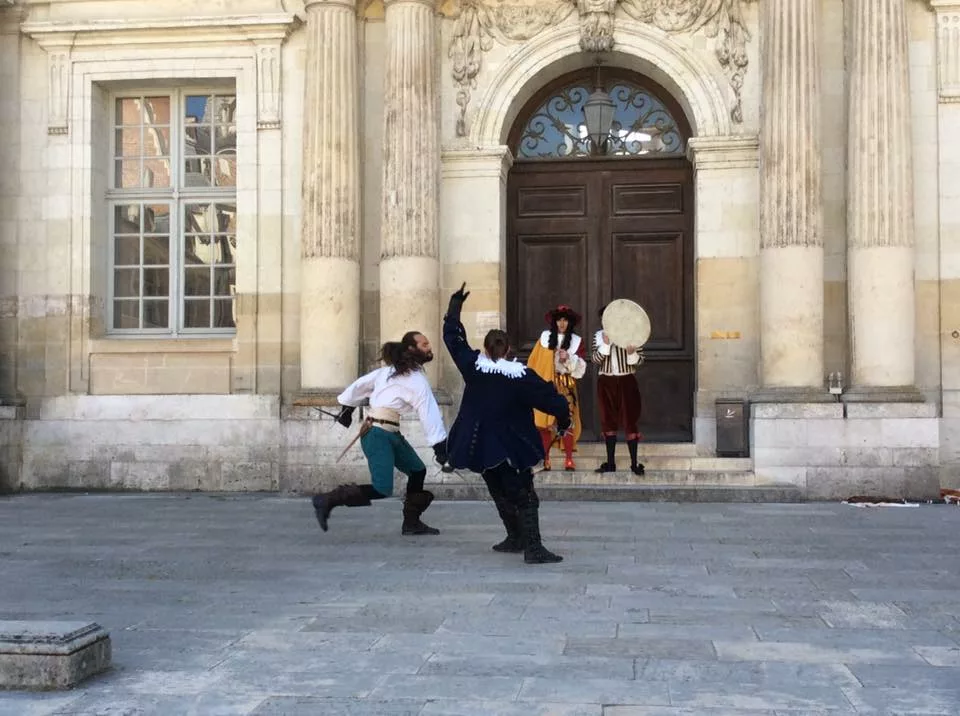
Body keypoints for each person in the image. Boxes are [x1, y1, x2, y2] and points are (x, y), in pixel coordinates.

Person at [443, 283, 571, 564]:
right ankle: (533, 548)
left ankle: (515, 536)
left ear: (486, 348)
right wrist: (564, 421)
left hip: (478, 443)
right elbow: (552, 399)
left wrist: (455, 306)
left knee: (497, 487)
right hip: (511, 444)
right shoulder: (520, 375)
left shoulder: (473, 366)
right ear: (509, 347)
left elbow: (453, 339)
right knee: (524, 494)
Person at [311, 331, 448, 536]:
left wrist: (347, 408)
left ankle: (411, 523)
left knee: (417, 470)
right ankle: (328, 500)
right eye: (424, 344)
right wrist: (440, 447)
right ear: (411, 349)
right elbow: (428, 413)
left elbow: (358, 387)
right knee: (382, 488)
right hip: (377, 434)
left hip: (390, 433)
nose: (429, 347)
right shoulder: (411, 379)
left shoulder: (389, 372)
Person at [526, 305, 586, 471]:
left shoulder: (576, 341)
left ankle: (568, 458)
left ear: (570, 322)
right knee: (544, 422)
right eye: (559, 319)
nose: (561, 323)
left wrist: (568, 358)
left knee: (567, 420)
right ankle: (545, 458)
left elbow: (581, 366)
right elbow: (534, 360)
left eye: (565, 320)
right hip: (546, 384)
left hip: (566, 385)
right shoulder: (544, 339)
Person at [593, 304, 645, 475]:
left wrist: (631, 353)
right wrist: (605, 345)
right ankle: (610, 462)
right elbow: (595, 359)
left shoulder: (633, 334)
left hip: (626, 380)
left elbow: (640, 361)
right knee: (607, 419)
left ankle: (634, 463)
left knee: (630, 419)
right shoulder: (599, 337)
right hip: (606, 381)